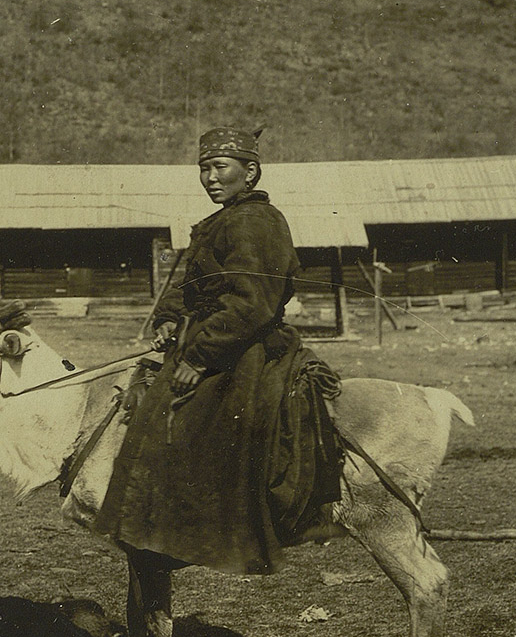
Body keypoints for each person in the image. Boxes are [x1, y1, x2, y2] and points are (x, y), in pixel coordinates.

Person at [95, 126, 342, 576]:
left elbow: (253, 301)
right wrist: (170, 318)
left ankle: (209, 533)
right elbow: (191, 284)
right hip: (211, 338)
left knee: (193, 418)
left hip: (243, 348)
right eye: (203, 169)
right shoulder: (221, 221)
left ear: (250, 172)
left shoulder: (255, 221)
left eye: (219, 167)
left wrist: (198, 357)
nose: (209, 177)